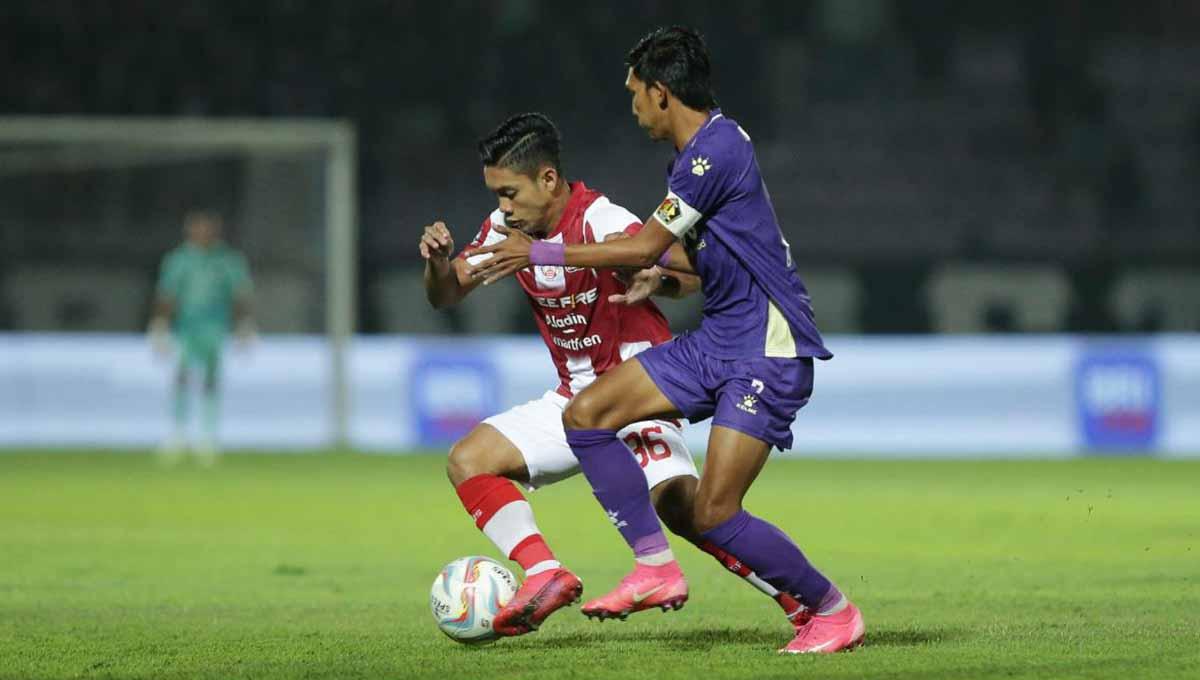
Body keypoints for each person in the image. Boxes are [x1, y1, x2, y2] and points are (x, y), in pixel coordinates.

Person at [467, 28, 864, 653]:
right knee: (588, 413)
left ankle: (832, 611)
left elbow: (646, 242)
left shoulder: (716, 149)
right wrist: (662, 279)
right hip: (718, 339)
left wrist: (539, 250)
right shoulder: (691, 161)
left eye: (634, 95)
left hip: (766, 350)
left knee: (713, 513)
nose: (631, 107)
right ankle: (654, 564)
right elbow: (694, 263)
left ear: (660, 93)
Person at [423, 112, 808, 637]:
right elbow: (447, 293)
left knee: (690, 510)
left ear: (548, 180)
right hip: (574, 400)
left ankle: (797, 598)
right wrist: (440, 263)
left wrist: (656, 278)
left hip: (635, 393)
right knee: (469, 460)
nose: (504, 207)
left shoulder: (600, 219)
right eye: (497, 195)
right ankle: (544, 572)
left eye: (511, 193)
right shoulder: (503, 229)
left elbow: (691, 271)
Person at [149, 211, 254, 465]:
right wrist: (160, 324)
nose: (202, 234)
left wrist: (244, 325)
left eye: (207, 229)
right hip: (186, 327)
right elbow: (167, 294)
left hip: (215, 326)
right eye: (197, 229)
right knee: (182, 377)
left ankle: (208, 435)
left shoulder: (228, 260)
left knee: (210, 378)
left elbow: (240, 294)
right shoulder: (179, 260)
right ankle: (178, 433)